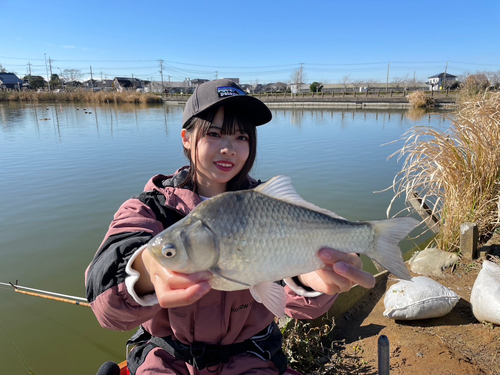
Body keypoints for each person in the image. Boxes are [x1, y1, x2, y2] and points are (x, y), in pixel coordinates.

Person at [85, 79, 376, 375]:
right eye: (214, 134)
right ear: (186, 138)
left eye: (241, 137)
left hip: (253, 359)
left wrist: (313, 281)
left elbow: (292, 303)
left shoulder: (268, 208)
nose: (229, 149)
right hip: (167, 361)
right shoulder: (149, 208)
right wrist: (145, 271)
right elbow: (107, 305)